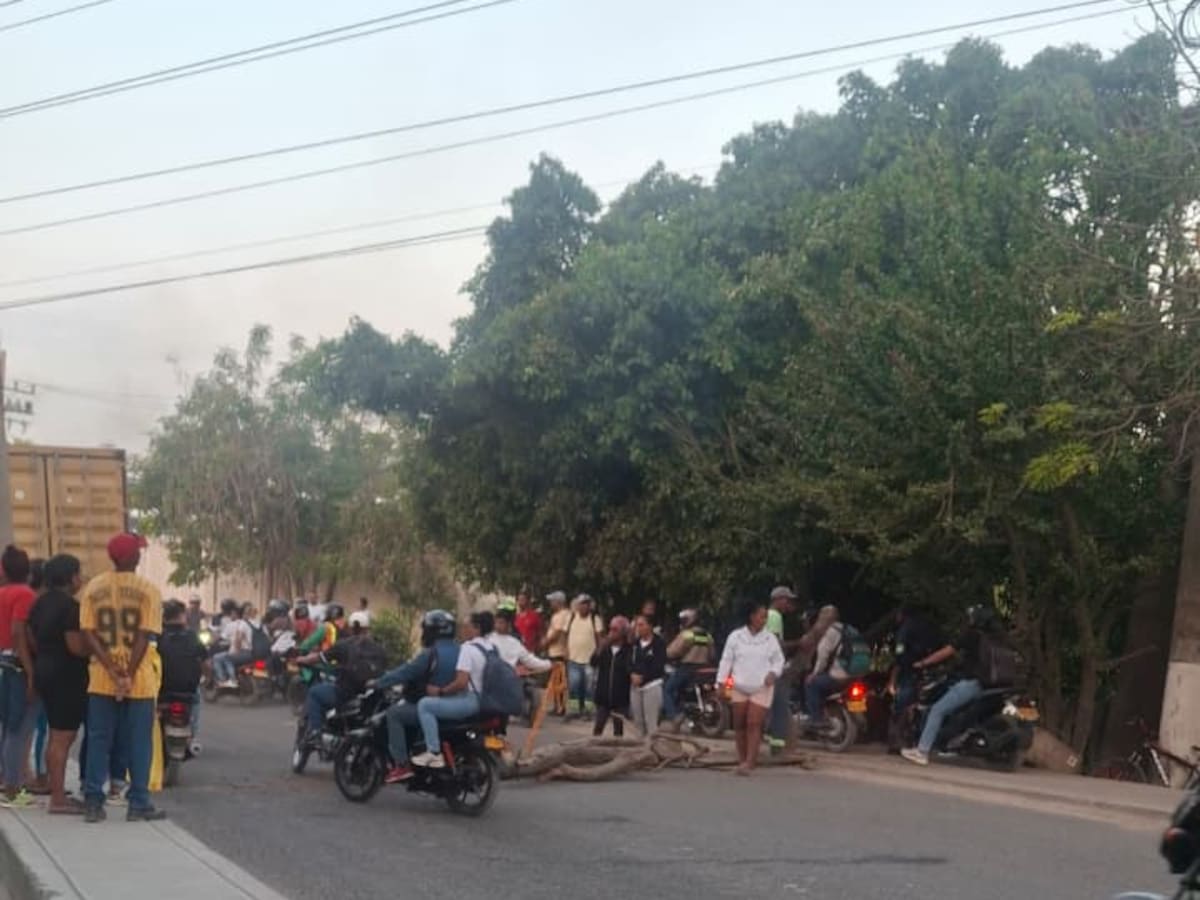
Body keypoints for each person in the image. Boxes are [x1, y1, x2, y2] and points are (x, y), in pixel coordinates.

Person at [80, 532, 166, 823]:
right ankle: (138, 802)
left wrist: (110, 668)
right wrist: (127, 673)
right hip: (138, 679)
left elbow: (88, 633)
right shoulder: (148, 590)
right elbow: (143, 634)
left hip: (101, 678)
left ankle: (93, 800)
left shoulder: (93, 587)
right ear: (131, 557)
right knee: (139, 741)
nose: (141, 555)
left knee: (98, 740)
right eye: (138, 552)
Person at [25, 554, 89, 814]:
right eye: (78, 573)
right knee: (63, 737)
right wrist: (95, 649)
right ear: (70, 577)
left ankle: (57, 790)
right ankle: (59, 798)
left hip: (45, 670)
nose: (80, 578)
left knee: (55, 734)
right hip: (67, 676)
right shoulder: (71, 607)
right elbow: (75, 647)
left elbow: (30, 637)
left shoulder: (38, 604)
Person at [902, 605, 996, 767]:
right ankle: (949, 745)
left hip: (972, 683)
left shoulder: (971, 635)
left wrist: (923, 663)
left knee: (937, 710)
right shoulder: (995, 637)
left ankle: (922, 751)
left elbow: (946, 652)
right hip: (991, 686)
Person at [373, 610, 460, 784]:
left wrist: (379, 682)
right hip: (458, 705)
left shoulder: (430, 653)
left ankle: (401, 764)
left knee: (394, 714)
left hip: (434, 706)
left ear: (433, 631)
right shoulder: (461, 650)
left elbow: (407, 672)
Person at [413, 611, 495, 769]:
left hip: (471, 701)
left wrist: (441, 691)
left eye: (466, 627)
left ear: (476, 628)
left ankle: (433, 752)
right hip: (488, 700)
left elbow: (461, 682)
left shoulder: (467, 648)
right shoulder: (491, 648)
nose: (463, 631)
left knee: (425, 705)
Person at [294, 608, 384, 746]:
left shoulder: (341, 642)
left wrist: (302, 660)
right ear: (368, 628)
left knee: (314, 693)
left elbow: (318, 656)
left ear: (351, 626)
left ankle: (316, 732)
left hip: (345, 693)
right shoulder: (378, 648)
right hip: (369, 697)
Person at [716, 599, 784, 776]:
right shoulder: (735, 637)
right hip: (739, 686)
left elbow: (779, 660)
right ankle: (742, 759)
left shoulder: (770, 639)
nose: (765, 620)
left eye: (766, 617)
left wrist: (773, 673)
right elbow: (726, 660)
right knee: (739, 723)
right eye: (762, 616)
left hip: (762, 686)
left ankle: (750, 762)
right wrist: (721, 682)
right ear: (751, 617)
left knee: (754, 722)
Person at [0, 545, 38, 807]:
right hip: (17, 666)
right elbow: (18, 632)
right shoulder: (25, 595)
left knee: (6, 727)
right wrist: (31, 670)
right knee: (19, 728)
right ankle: (12, 789)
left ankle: (7, 780)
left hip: (3, 663)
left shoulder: (2, 592)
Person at [888, 605, 943, 754]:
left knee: (902, 705)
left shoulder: (906, 628)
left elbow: (900, 650)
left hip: (910, 669)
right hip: (930, 669)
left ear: (901, 615)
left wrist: (897, 669)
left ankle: (897, 741)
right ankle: (916, 738)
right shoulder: (928, 626)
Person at [157, 600, 208, 740]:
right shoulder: (192, 636)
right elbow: (206, 662)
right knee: (196, 700)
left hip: (162, 689)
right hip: (188, 689)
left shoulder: (157, 637)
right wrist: (208, 678)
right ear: (182, 615)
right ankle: (193, 736)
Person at [804, 606, 849, 734]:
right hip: (855, 675)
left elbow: (822, 656)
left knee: (811, 683)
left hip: (839, 675)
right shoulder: (845, 628)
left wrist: (814, 673)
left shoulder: (829, 631)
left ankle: (816, 719)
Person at [663, 609, 714, 722]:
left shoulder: (687, 634)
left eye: (683, 620)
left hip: (687, 668)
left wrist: (664, 654)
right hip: (704, 669)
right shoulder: (707, 635)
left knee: (668, 690)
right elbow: (712, 653)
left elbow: (673, 651)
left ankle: (674, 716)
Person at [591, 617, 632, 736]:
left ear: (623, 632)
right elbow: (593, 662)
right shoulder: (605, 649)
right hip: (603, 697)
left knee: (618, 730)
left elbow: (629, 669)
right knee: (598, 727)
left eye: (615, 629)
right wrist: (600, 648)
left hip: (620, 698)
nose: (611, 633)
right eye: (610, 629)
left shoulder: (628, 650)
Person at [565, 594, 604, 719]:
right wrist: (566, 650)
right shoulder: (571, 617)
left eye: (586, 604)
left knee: (589, 688)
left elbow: (600, 638)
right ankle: (575, 709)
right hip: (573, 659)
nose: (583, 606)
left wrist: (598, 653)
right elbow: (566, 635)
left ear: (589, 606)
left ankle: (588, 711)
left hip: (589, 660)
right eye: (581, 604)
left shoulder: (595, 619)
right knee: (574, 686)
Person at [629, 614, 667, 737]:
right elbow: (628, 662)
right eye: (636, 625)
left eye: (641, 625)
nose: (638, 628)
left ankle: (654, 750)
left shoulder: (659, 644)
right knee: (638, 723)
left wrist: (643, 678)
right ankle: (640, 750)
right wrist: (632, 674)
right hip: (635, 687)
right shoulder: (634, 644)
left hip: (652, 686)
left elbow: (659, 666)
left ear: (650, 626)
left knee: (651, 723)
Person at [492, 603, 552, 675]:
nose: (497, 625)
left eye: (501, 623)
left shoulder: (514, 642)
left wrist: (549, 664)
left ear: (508, 624)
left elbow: (529, 660)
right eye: (496, 622)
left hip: (508, 678)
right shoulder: (488, 639)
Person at [541, 591, 570, 716]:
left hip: (559, 651)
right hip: (553, 651)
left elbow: (557, 633)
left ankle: (560, 707)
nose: (551, 604)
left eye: (552, 601)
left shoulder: (563, 614)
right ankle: (556, 705)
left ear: (559, 602)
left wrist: (545, 643)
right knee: (555, 681)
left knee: (559, 680)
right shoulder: (556, 615)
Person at [212, 602, 252, 688]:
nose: (230, 615)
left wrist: (212, 641)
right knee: (227, 656)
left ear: (236, 614)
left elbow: (222, 637)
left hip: (242, 652)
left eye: (232, 613)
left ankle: (225, 680)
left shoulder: (233, 624)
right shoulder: (247, 623)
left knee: (218, 657)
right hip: (251, 652)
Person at [514, 589, 544, 654]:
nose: (520, 602)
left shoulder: (534, 616)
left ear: (527, 601)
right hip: (517, 651)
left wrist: (538, 648)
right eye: (519, 600)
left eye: (523, 600)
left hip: (530, 651)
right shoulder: (516, 617)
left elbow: (540, 634)